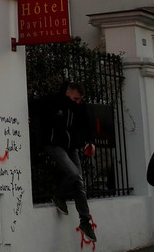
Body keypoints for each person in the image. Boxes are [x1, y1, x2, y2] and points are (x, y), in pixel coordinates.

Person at [40, 81, 97, 241]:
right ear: (67, 94)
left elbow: (87, 123)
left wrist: (89, 142)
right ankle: (59, 196)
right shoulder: (54, 102)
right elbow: (38, 109)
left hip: (71, 147)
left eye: (80, 99)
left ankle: (85, 222)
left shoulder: (79, 107)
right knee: (73, 173)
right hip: (54, 144)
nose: (78, 102)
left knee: (79, 182)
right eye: (75, 99)